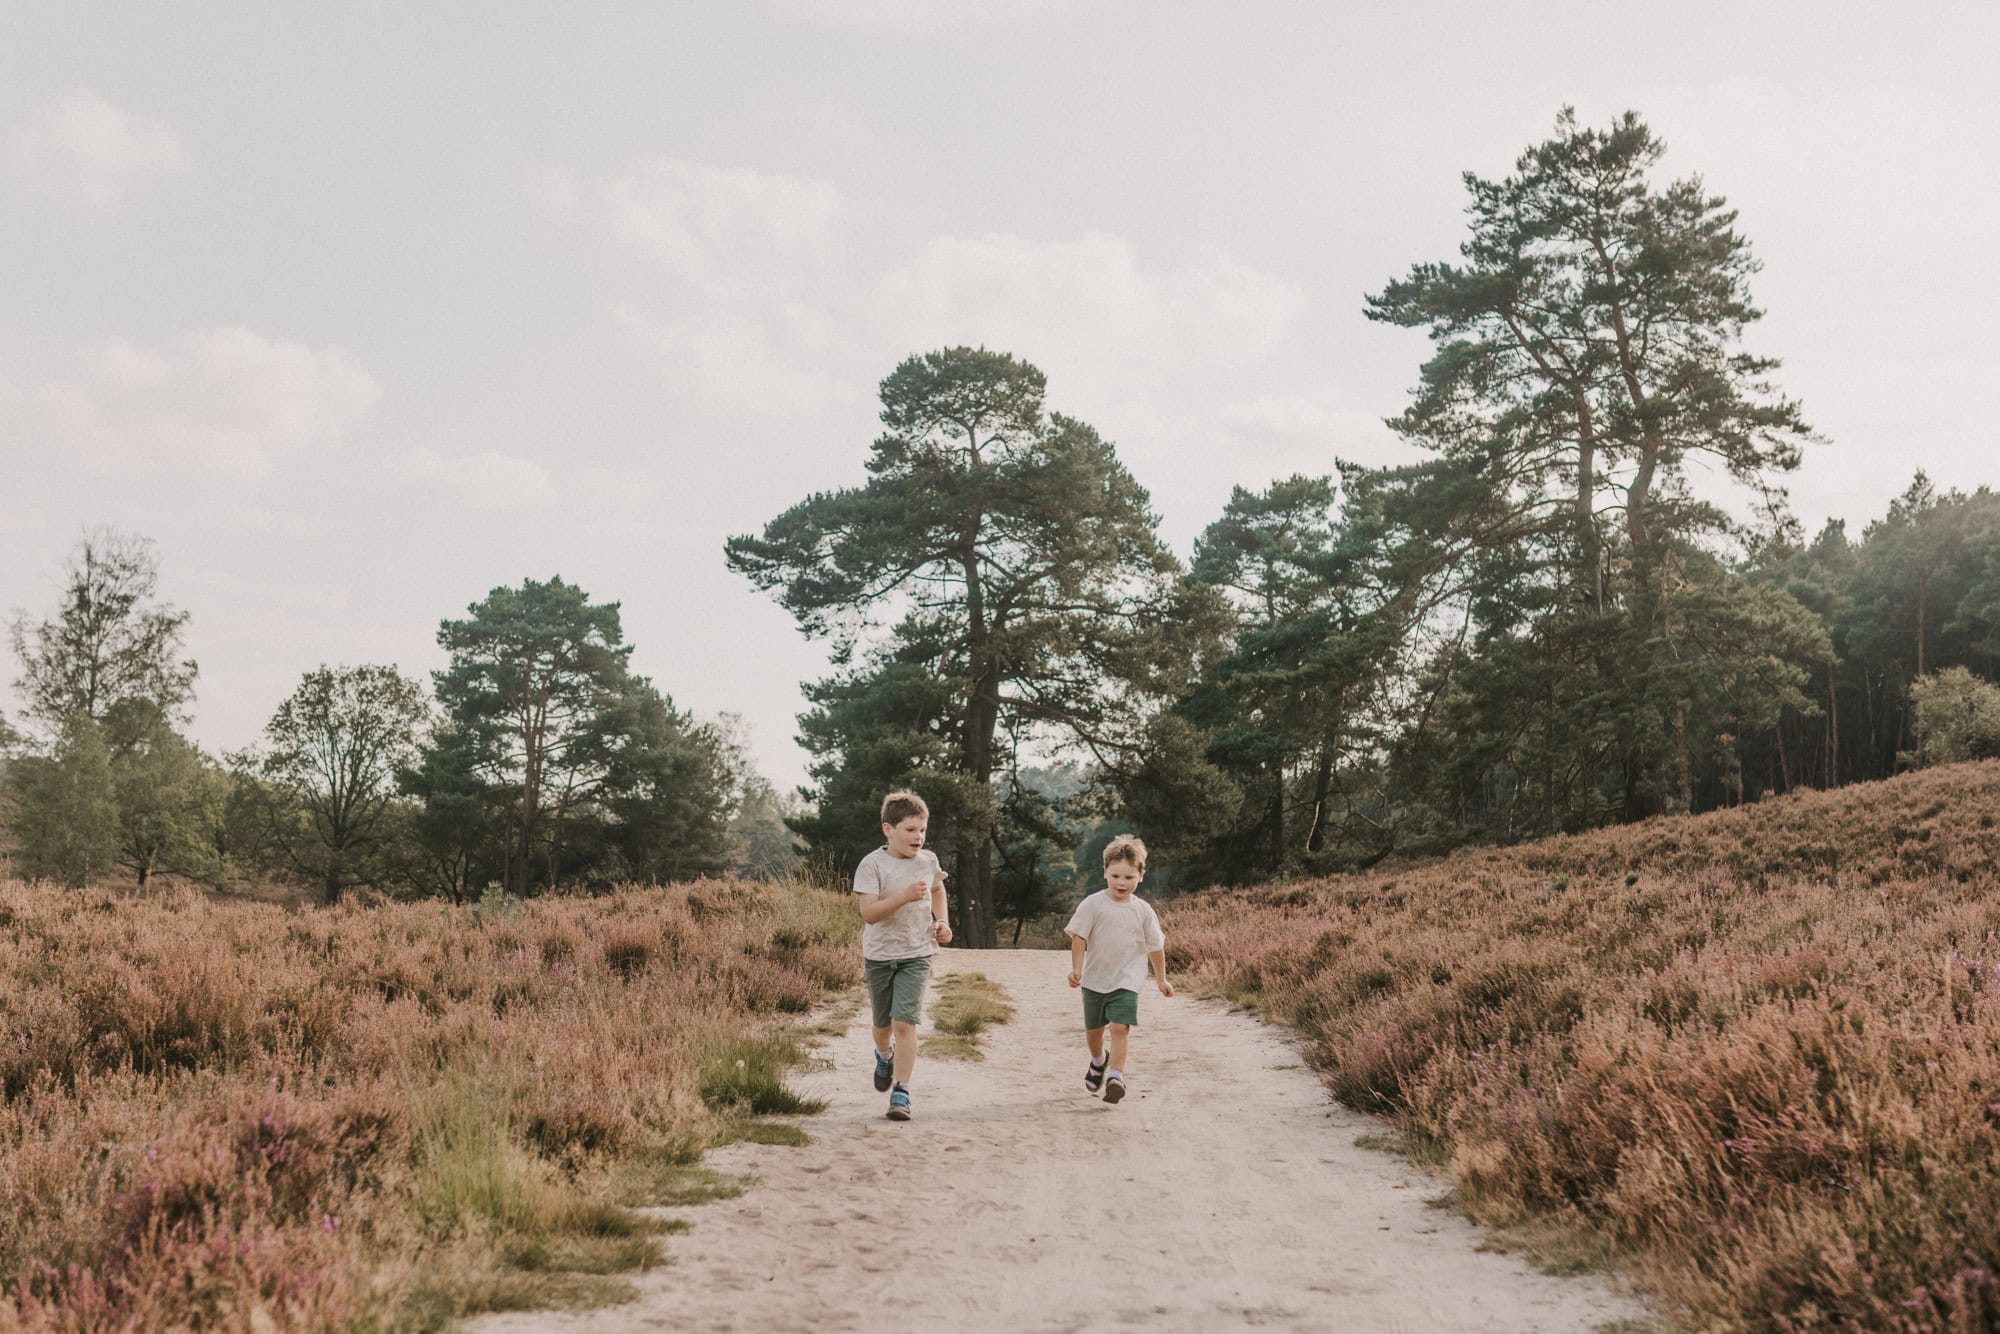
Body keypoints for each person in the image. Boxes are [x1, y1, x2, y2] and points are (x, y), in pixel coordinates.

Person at [852, 789, 951, 1120]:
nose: (918, 837)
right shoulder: (872, 865)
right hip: (879, 956)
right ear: (888, 829)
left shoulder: (928, 862)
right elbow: (869, 913)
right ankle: (884, 1055)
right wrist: (905, 896)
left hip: (917, 953)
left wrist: (942, 922)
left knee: (904, 1023)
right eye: (910, 829)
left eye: (922, 830)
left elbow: (938, 888)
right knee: (883, 1026)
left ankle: (902, 1093)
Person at [1064, 834, 1172, 1105]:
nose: (1121, 883)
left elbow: (1155, 947)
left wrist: (1161, 979)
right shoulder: (1093, 904)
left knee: (1120, 1027)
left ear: (1141, 876)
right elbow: (1079, 938)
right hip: (1094, 979)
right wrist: (1076, 968)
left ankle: (1115, 1077)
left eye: (1128, 877)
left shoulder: (1144, 911)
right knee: (1094, 1032)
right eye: (1115, 876)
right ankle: (1099, 1061)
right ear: (1105, 873)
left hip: (1127, 981)